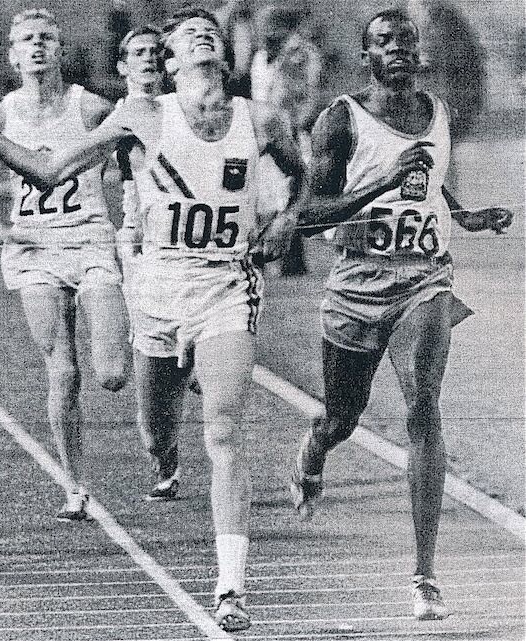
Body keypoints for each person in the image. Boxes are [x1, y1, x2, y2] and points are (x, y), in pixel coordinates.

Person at [0, 6, 304, 631]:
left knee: (225, 431)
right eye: (186, 35)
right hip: (157, 292)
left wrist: (286, 218)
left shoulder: (261, 119)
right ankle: (163, 454)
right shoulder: (140, 115)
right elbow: (49, 171)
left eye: (209, 31)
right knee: (155, 424)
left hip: (225, 286)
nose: (201, 36)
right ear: (170, 62)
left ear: (223, 53)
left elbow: (302, 176)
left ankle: (230, 587)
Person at [286, 8, 514, 621]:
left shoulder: (437, 112)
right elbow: (307, 215)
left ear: (419, 52)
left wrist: (465, 217)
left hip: (424, 277)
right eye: (384, 42)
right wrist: (380, 183)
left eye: (406, 40)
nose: (398, 49)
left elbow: (430, 182)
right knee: (343, 416)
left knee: (423, 405)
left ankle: (425, 574)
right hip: (358, 282)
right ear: (367, 57)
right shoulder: (341, 119)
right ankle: (316, 444)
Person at [0, 9, 129, 523]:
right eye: (27, 40)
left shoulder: (90, 107)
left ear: (60, 50)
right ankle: (75, 486)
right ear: (13, 56)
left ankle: (163, 339)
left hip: (90, 240)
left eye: (46, 39)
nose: (37, 46)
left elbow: (132, 163)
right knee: (64, 371)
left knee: (112, 374)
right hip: (36, 251)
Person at [112, 25, 187, 501]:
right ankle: (165, 452)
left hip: (196, 246)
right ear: (123, 66)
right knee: (152, 413)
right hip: (142, 242)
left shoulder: (189, 108)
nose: (149, 59)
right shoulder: (120, 115)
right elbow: (75, 162)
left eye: (156, 51)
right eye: (138, 53)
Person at [250, 4, 324, 276]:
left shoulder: (298, 54)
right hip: (263, 133)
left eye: (270, 27)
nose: (264, 33)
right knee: (263, 196)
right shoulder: (261, 56)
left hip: (287, 133)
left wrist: (292, 128)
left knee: (287, 193)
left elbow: (304, 97)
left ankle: (292, 261)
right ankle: (267, 258)